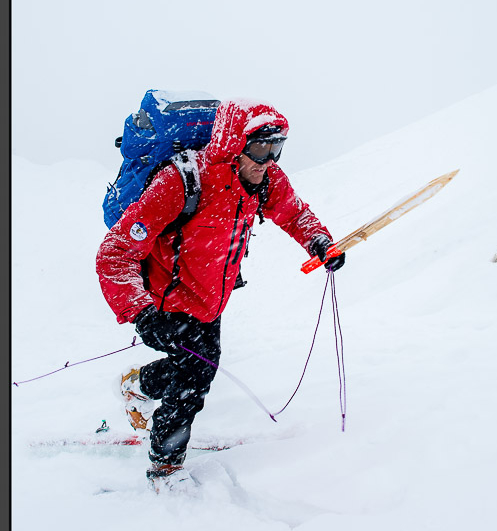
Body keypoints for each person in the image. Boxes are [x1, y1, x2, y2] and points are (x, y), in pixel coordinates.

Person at [96, 98, 345, 488]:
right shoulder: (181, 182)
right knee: (194, 377)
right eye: (261, 147)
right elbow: (115, 253)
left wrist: (317, 240)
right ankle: (165, 466)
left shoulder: (265, 180)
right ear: (233, 145)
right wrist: (142, 313)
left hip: (210, 299)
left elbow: (293, 211)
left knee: (199, 367)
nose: (268, 159)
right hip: (165, 302)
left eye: (276, 147)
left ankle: (136, 386)